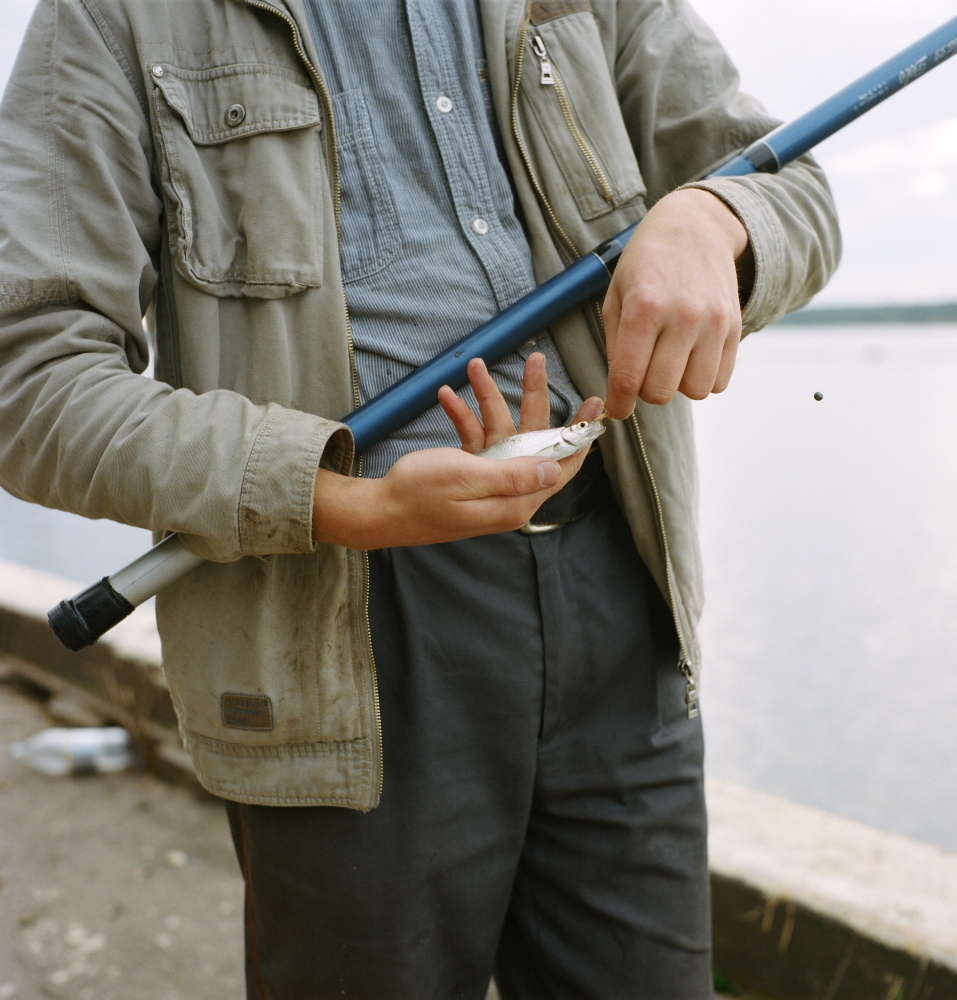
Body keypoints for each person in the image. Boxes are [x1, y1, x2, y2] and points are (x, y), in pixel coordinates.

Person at [0, 0, 840, 996]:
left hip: (622, 606)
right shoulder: (113, 16)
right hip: (325, 643)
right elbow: (29, 377)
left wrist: (717, 217)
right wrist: (341, 498)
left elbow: (794, 193)